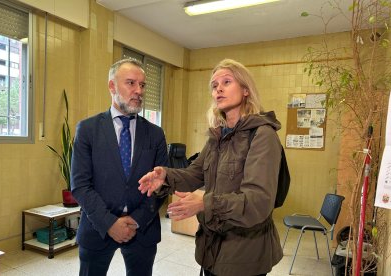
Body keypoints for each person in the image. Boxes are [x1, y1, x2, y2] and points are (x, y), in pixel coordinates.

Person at [139, 59, 283, 276]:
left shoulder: (263, 135)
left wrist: (204, 203)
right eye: (214, 86)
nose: (219, 89)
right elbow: (195, 173)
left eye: (227, 82)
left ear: (245, 90)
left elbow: (258, 202)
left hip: (244, 255)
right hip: (211, 249)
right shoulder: (218, 135)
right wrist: (166, 176)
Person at [71, 58, 168, 276]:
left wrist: (136, 220)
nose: (138, 91)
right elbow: (80, 184)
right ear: (112, 86)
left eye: (142, 85)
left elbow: (163, 185)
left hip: (142, 228)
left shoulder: (155, 133)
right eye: (131, 83)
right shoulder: (87, 129)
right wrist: (109, 223)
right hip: (97, 227)